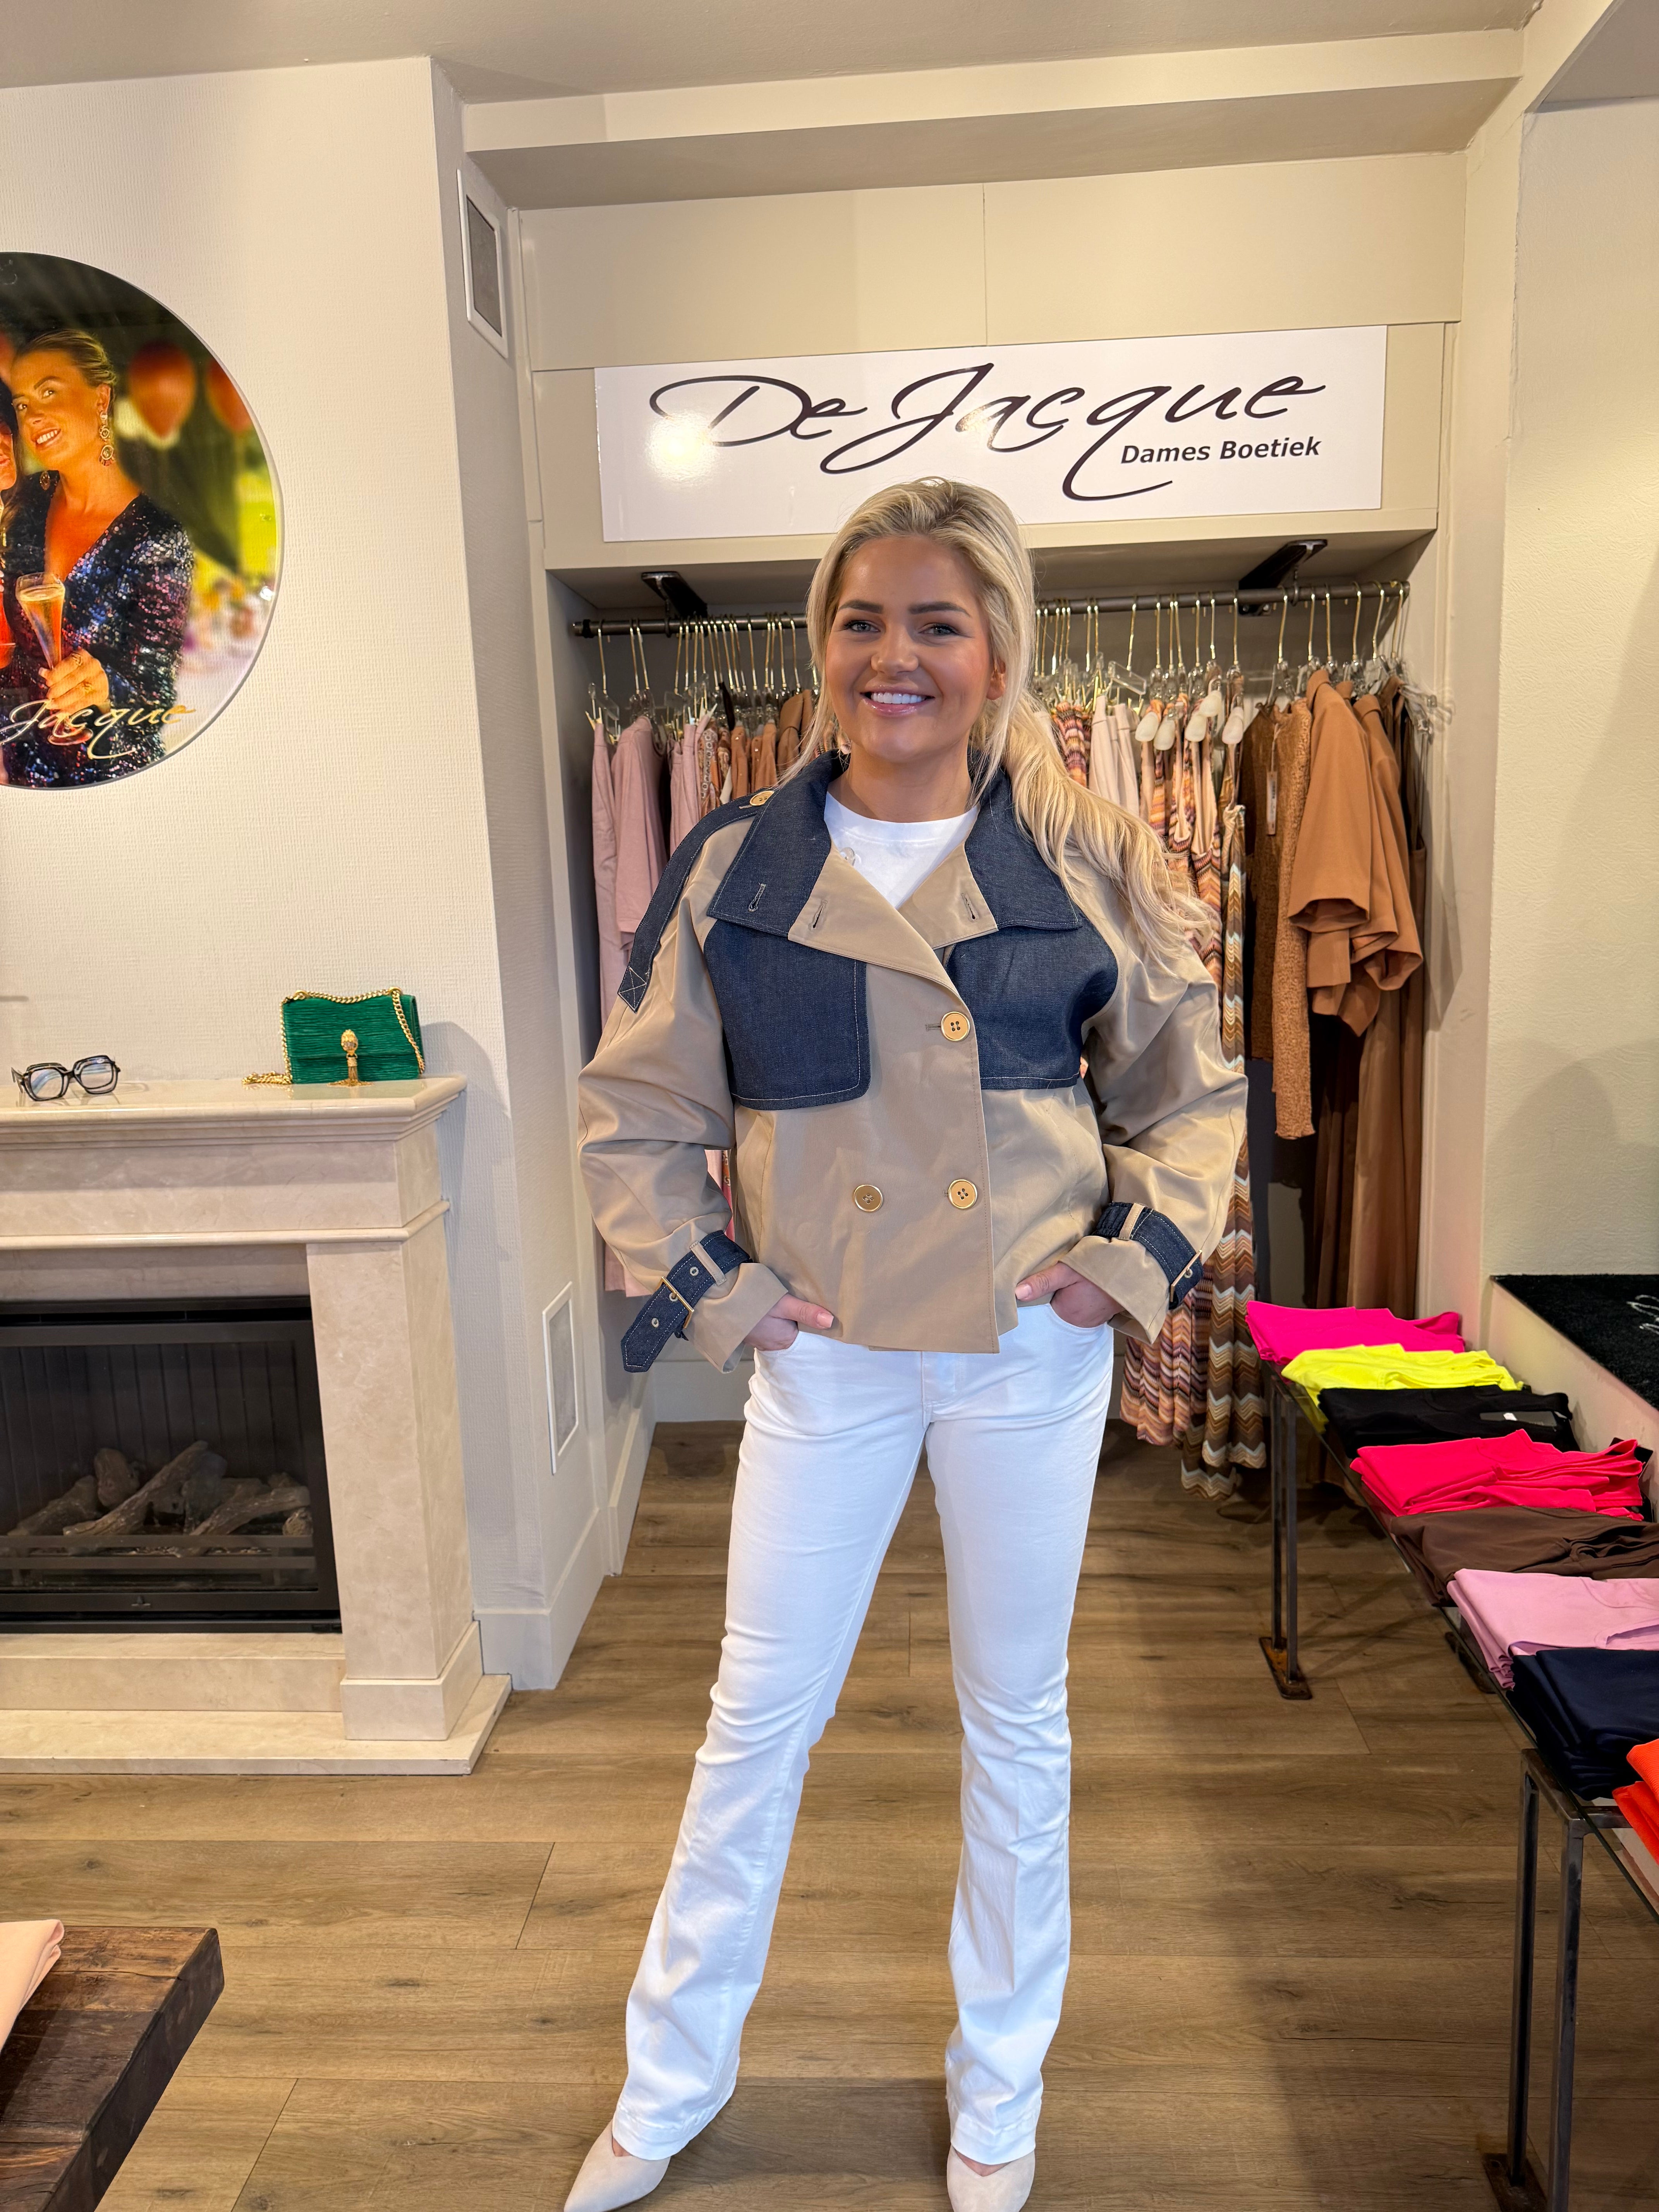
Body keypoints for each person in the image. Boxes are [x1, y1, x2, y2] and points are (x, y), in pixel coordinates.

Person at [573, 479, 1245, 2212]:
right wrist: (721, 1290)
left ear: (997, 652)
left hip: (1026, 1348)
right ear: (821, 646)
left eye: (937, 622)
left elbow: (1189, 1097)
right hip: (830, 1353)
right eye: (862, 620)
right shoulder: (737, 863)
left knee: (1016, 1723)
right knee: (755, 1720)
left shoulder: (1084, 853)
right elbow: (636, 1110)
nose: (895, 655)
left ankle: (998, 2091)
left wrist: (1122, 1265)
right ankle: (665, 2082)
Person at [2, 328, 192, 787]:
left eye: (49, 391)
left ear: (101, 398)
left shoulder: (158, 537)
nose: (33, 416)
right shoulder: (27, 512)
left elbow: (158, 690)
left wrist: (108, 686)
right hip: (24, 767)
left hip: (110, 777)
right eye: (23, 405)